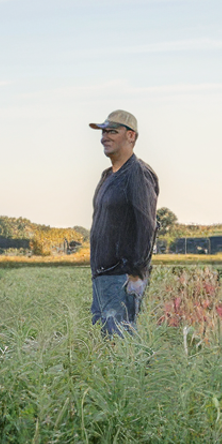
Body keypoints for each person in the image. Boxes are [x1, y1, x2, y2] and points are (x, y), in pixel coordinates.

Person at [86, 109, 157, 337]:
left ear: (131, 136)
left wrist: (135, 273)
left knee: (121, 347)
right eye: (103, 132)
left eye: (112, 132)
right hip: (103, 276)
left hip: (122, 277)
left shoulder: (137, 173)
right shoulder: (108, 175)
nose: (104, 137)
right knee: (105, 344)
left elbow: (146, 225)